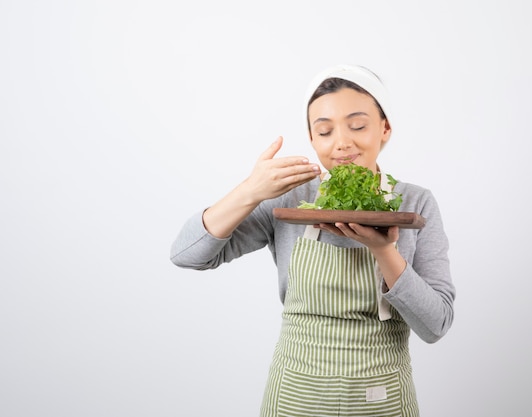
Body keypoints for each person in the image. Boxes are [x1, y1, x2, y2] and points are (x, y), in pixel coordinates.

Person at [170, 64, 455, 417]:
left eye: (358, 126)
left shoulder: (414, 203)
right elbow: (187, 254)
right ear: (311, 139)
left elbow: (436, 324)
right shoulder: (291, 198)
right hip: (294, 397)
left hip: (380, 398)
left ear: (385, 128)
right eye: (324, 131)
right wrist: (250, 191)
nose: (342, 143)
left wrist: (385, 251)